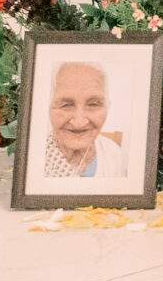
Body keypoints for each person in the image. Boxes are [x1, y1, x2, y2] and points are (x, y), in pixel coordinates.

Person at [31, 58, 133, 188]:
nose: (79, 122)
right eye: (66, 105)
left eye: (94, 104)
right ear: (47, 106)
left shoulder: (114, 155)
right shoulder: (33, 159)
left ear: (108, 107)